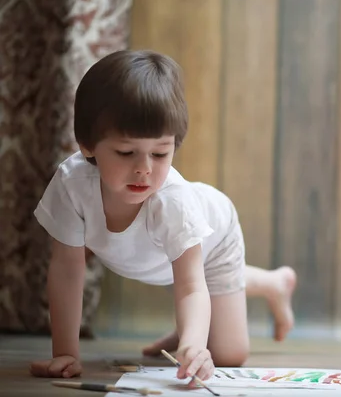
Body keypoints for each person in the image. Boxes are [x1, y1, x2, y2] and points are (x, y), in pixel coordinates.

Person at [29, 50, 296, 384]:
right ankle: (255, 291)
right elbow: (67, 269)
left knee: (228, 354)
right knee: (195, 314)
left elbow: (190, 285)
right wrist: (65, 353)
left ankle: (271, 286)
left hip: (215, 240)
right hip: (163, 258)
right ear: (87, 146)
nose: (144, 169)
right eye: (126, 153)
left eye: (160, 153)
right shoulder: (71, 185)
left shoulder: (174, 203)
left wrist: (195, 346)